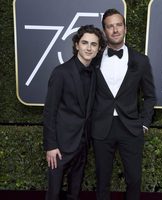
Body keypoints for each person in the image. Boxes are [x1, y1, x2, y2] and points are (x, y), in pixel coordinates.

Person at [91, 9, 156, 200]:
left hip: (130, 128)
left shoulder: (141, 61)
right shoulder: (93, 59)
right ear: (104, 31)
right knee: (102, 181)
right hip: (102, 128)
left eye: (118, 25)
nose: (115, 29)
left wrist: (144, 123)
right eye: (110, 26)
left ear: (125, 28)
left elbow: (150, 96)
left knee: (134, 180)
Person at [43, 25, 105, 200]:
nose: (88, 48)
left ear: (99, 48)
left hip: (83, 144)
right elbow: (49, 112)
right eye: (84, 43)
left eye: (93, 44)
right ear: (77, 45)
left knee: (74, 192)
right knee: (53, 193)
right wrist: (51, 146)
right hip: (60, 146)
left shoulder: (95, 73)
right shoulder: (61, 72)